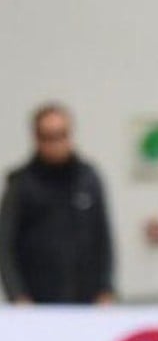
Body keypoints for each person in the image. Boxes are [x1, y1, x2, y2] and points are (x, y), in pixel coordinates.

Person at [0, 102, 115, 304]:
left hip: (86, 298)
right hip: (38, 300)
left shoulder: (88, 179)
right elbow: (5, 244)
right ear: (37, 139)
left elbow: (103, 237)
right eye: (49, 137)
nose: (56, 144)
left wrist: (106, 287)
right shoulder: (21, 184)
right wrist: (17, 294)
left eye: (62, 135)